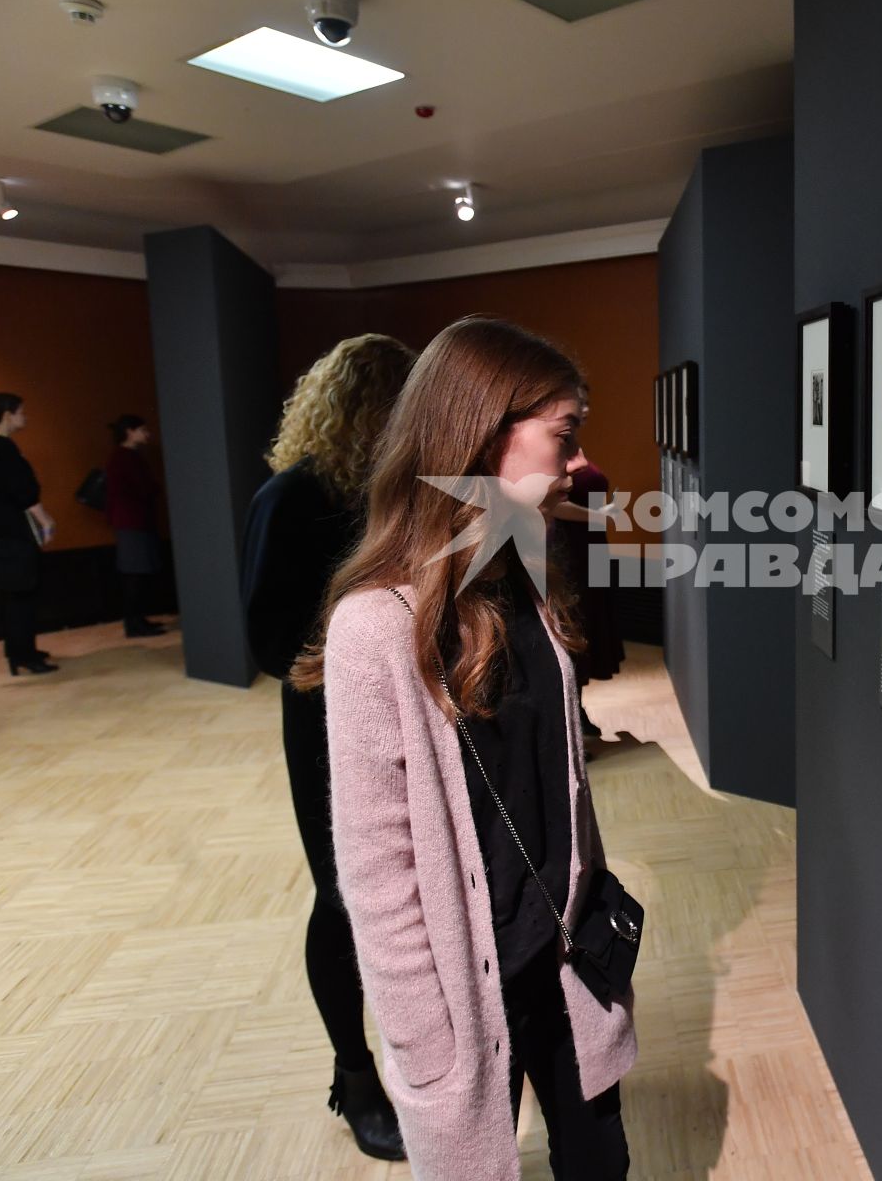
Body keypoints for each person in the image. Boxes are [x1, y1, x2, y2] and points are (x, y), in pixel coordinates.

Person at [292, 317, 636, 1180]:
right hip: (468, 989)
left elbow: (556, 788)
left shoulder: (524, 575)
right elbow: (375, 871)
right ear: (482, 432)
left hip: (569, 964)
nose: (576, 460)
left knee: (601, 1163)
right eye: (564, 434)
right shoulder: (376, 626)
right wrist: (424, 1043)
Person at [239, 333, 417, 1162]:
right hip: (326, 722)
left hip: (416, 711)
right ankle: (355, 1073)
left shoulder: (405, 493)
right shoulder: (293, 496)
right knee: (343, 895)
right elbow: (270, 641)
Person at [547, 383, 624, 738]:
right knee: (572, 627)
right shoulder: (554, 447)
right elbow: (552, 502)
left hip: (589, 547)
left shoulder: (571, 444)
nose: (587, 407)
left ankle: (577, 712)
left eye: (588, 400)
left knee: (588, 626)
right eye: (580, 400)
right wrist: (599, 516)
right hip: (567, 550)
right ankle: (568, 721)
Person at [0, 392, 57, 676]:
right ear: (7, 414)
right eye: (21, 411)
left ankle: (19, 649)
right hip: (12, 525)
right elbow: (23, 490)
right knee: (24, 589)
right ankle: (25, 654)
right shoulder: (3, 447)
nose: (25, 417)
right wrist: (45, 520)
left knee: (16, 589)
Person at [105, 414, 168, 638]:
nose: (146, 434)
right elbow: (144, 488)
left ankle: (137, 621)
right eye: (142, 429)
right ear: (130, 432)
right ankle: (134, 623)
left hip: (133, 522)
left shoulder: (125, 457)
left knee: (137, 574)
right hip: (133, 523)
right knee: (135, 574)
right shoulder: (125, 458)